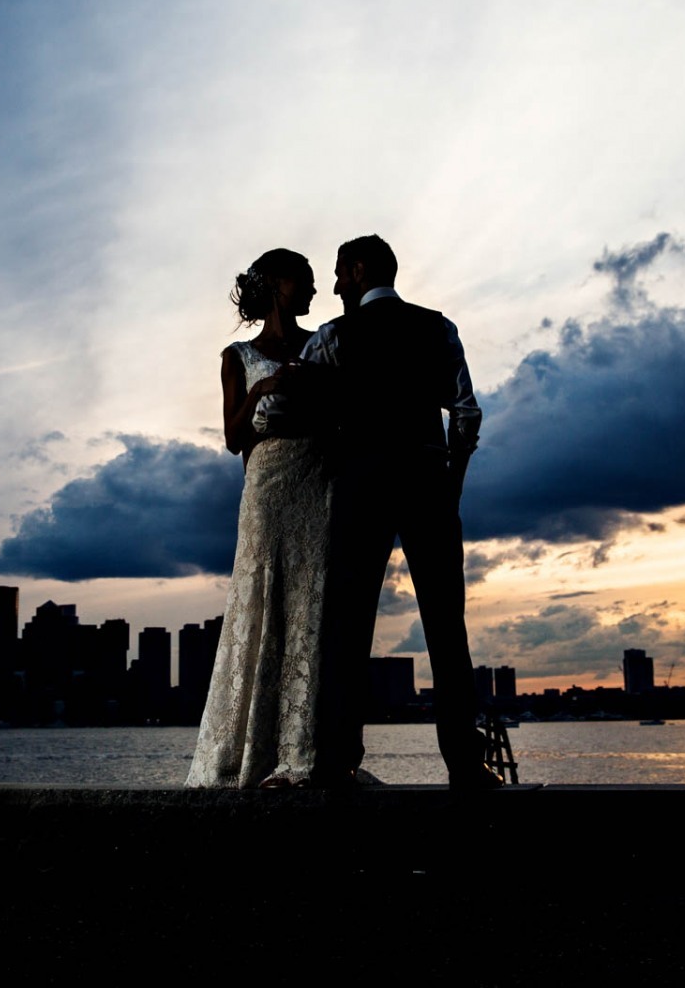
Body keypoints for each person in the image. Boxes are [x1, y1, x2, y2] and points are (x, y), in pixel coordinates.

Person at [302, 234, 501, 789]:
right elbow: (465, 414)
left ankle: (336, 758)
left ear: (360, 270)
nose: (337, 286)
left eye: (340, 274)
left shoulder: (333, 338)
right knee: (445, 623)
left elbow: (307, 418)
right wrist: (450, 485)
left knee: (347, 622)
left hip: (359, 485)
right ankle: (465, 761)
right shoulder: (438, 327)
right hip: (426, 480)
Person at [185, 248, 333, 788]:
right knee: (263, 598)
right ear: (276, 283)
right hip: (267, 487)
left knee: (313, 605)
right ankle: (249, 750)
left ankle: (307, 750)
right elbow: (230, 439)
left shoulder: (321, 345)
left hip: (319, 483)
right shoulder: (239, 355)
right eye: (307, 280)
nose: (315, 290)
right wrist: (262, 389)